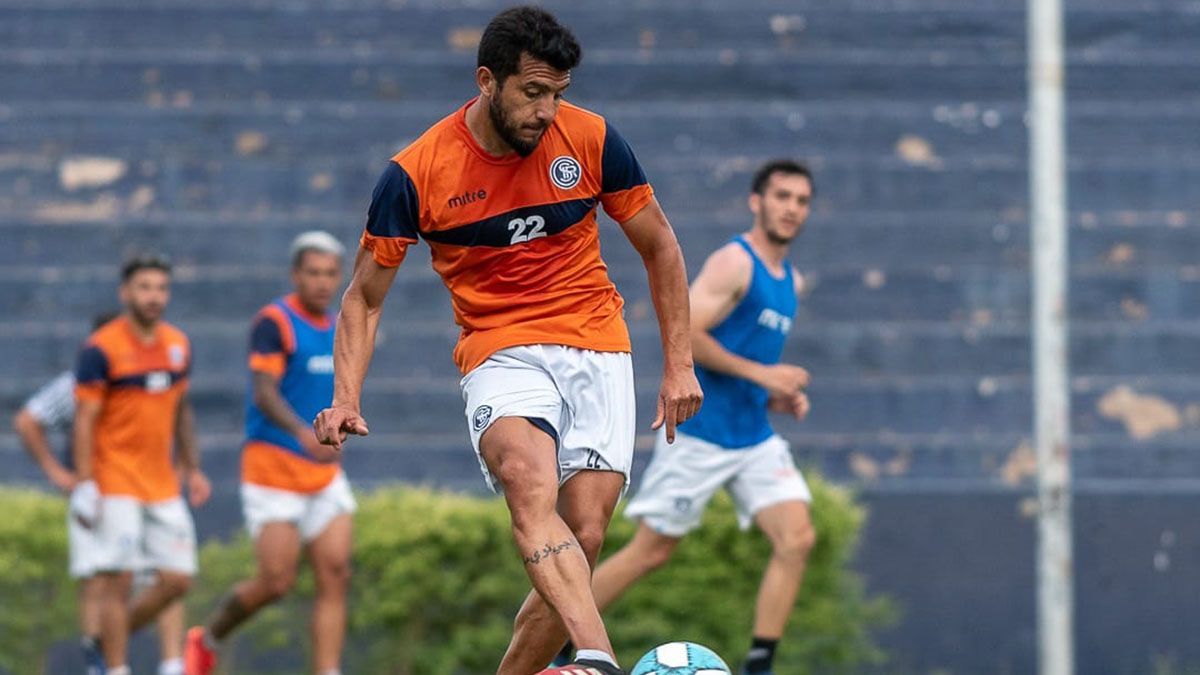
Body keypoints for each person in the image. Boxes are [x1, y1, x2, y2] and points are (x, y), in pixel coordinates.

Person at [311, 7, 702, 674]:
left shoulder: (593, 141)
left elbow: (660, 246)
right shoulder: (415, 173)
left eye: (558, 93)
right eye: (532, 92)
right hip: (499, 348)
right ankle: (599, 658)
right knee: (528, 481)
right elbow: (364, 297)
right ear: (487, 80)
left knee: (580, 538)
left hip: (596, 340)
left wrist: (679, 366)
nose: (547, 110)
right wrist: (346, 393)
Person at [582, 160, 817, 675]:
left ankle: (760, 663)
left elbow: (742, 357)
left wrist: (773, 394)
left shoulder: (790, 281)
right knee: (650, 552)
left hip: (753, 437)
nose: (791, 208)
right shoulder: (736, 262)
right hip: (702, 435)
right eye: (781, 196)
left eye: (801, 201)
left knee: (797, 537)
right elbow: (688, 335)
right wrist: (763, 376)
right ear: (757, 202)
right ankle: (562, 643)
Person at [185, 232, 353, 675]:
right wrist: (302, 434)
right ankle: (208, 638)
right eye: (313, 273)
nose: (321, 282)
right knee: (276, 582)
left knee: (335, 574)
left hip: (324, 473)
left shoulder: (339, 325)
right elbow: (263, 391)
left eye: (330, 273)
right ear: (296, 274)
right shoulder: (273, 322)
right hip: (274, 467)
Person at [13, 312, 189, 675]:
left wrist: (188, 464)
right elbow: (29, 420)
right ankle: (102, 662)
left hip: (152, 488)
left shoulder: (155, 369)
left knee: (165, 575)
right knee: (101, 576)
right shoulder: (77, 382)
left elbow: (178, 414)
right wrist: (61, 474)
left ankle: (169, 662)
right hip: (99, 492)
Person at [70, 255, 211, 675]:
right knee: (120, 580)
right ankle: (116, 668)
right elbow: (84, 420)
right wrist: (84, 484)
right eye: (144, 287)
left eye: (161, 288)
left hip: (162, 483)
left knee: (177, 579)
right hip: (115, 482)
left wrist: (194, 465)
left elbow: (181, 409)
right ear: (125, 292)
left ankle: (104, 640)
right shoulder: (101, 349)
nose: (154, 297)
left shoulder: (177, 344)